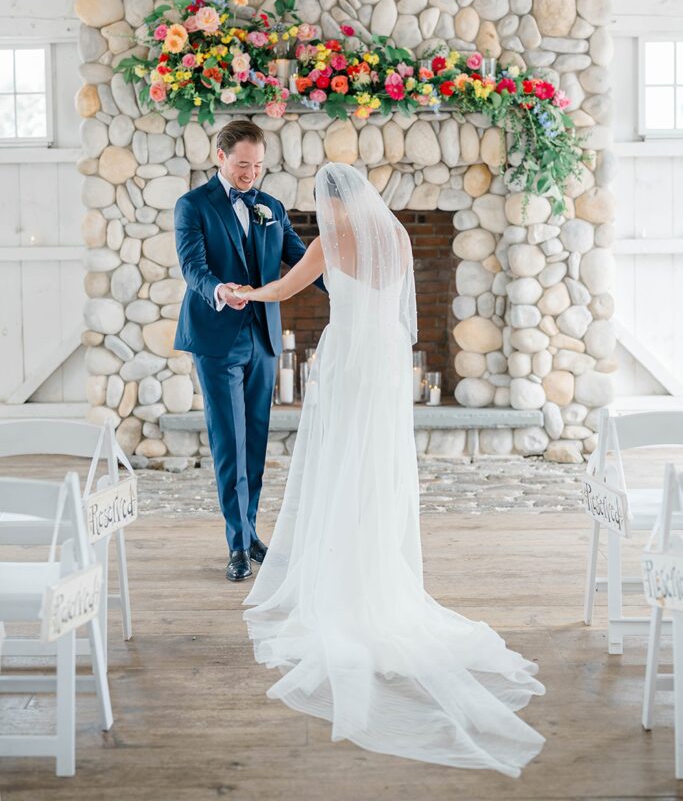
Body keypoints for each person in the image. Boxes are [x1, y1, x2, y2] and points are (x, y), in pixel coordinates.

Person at [231, 161, 545, 776]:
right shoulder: (396, 237)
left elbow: (286, 289)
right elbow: (401, 311)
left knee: (340, 466)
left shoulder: (327, 243)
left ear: (331, 200)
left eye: (320, 199)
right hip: (385, 361)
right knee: (373, 467)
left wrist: (246, 292)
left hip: (348, 360)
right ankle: (375, 567)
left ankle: (343, 582)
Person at [173, 119, 325, 582]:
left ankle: (251, 530)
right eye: (242, 165)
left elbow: (302, 261)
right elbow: (192, 267)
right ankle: (237, 544)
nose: (250, 174)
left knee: (255, 441)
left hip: (263, 338)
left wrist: (349, 289)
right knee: (229, 442)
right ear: (220, 156)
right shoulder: (193, 205)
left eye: (257, 166)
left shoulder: (271, 207)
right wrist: (220, 290)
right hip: (217, 338)